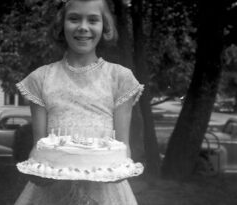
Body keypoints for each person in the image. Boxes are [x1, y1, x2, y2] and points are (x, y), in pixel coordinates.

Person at [14, 0, 144, 204]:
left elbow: (122, 147)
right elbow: (39, 147)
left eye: (93, 20)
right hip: (52, 195)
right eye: (74, 19)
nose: (83, 27)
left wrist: (120, 169)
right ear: (61, 24)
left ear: (105, 26)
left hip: (105, 196)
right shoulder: (41, 79)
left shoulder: (120, 78)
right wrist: (38, 172)